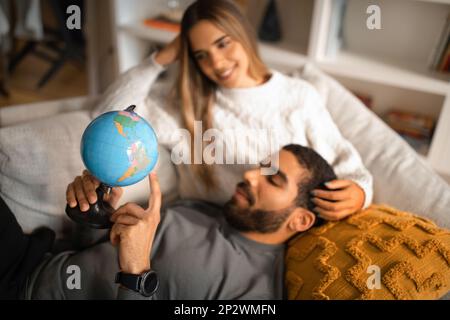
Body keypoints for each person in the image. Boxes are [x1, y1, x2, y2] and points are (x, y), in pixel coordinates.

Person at [93, 0, 372, 221]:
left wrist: (360, 192)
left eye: (223, 43)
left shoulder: (298, 96)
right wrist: (160, 58)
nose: (216, 62)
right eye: (201, 55)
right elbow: (108, 117)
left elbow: (347, 163)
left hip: (273, 229)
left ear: (244, 35)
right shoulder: (187, 104)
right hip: (199, 222)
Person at [1, 144, 336, 299]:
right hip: (30, 260)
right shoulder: (204, 210)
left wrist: (136, 272)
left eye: (273, 180)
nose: (250, 175)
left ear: (301, 219)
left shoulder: (254, 294)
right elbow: (89, 249)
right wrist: (94, 214)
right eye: (259, 166)